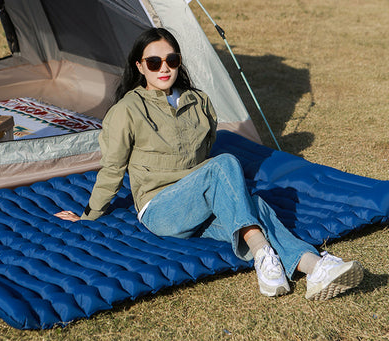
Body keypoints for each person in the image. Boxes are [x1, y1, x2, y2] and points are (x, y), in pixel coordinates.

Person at [56, 27, 364, 300]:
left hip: (200, 199)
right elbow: (113, 169)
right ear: (140, 66)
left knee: (254, 204)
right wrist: (88, 215)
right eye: (154, 62)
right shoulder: (127, 110)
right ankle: (262, 255)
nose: (164, 68)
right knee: (224, 163)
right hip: (161, 208)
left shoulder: (199, 102)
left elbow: (203, 150)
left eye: (171, 60)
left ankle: (315, 269)